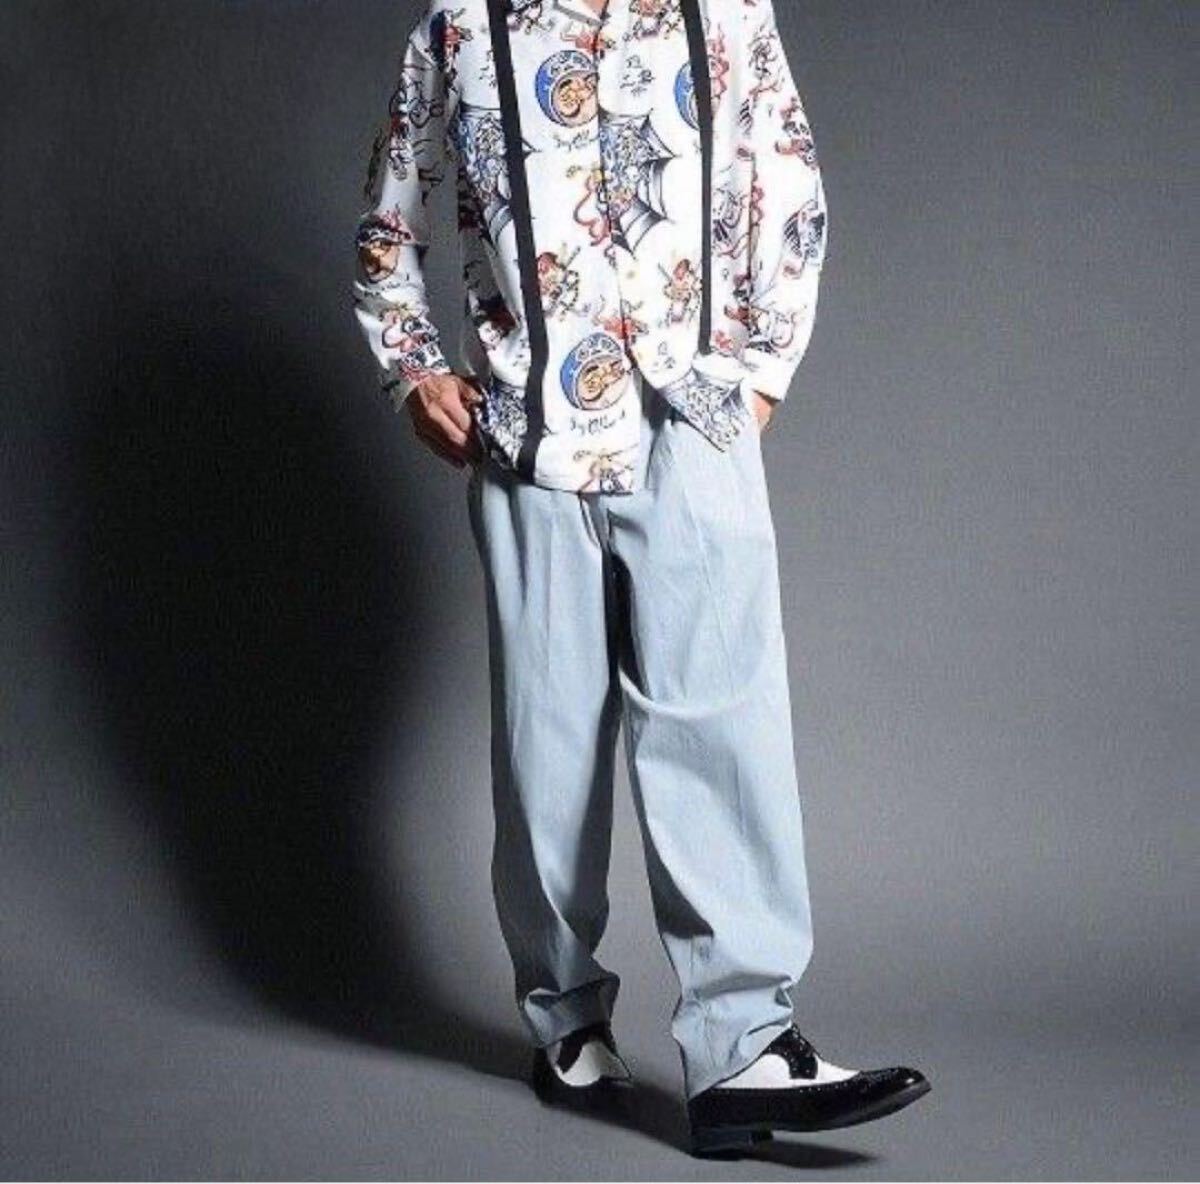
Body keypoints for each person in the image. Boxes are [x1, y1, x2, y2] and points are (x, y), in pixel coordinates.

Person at [352, 0, 929, 1155]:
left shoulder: (729, 13)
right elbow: (390, 218)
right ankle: (564, 1017)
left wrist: (757, 377)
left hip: (691, 424)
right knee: (546, 742)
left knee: (726, 728)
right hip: (528, 435)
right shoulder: (462, 26)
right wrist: (412, 369)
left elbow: (790, 186)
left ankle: (743, 1047)